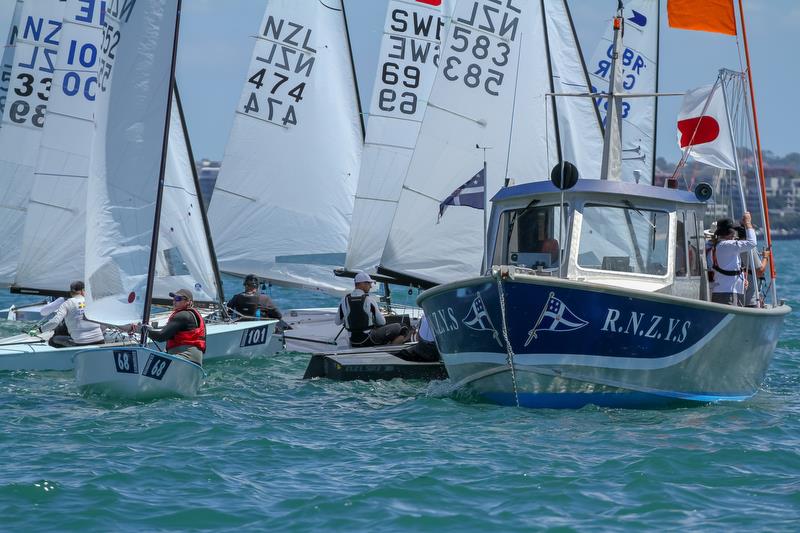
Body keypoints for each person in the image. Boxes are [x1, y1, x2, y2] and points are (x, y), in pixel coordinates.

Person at [335, 272, 409, 347]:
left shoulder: (344, 300)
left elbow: (337, 322)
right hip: (369, 339)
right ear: (362, 284)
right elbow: (382, 322)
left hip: (353, 341)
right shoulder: (369, 300)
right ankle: (391, 351)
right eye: (369, 283)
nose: (370, 286)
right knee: (403, 327)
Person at [141, 288, 206, 365]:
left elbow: (161, 336)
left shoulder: (182, 315)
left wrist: (140, 329)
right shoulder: (194, 315)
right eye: (174, 298)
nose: (174, 301)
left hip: (184, 358)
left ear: (188, 302)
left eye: (178, 299)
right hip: (194, 361)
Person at [706, 212, 756, 306]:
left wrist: (741, 279)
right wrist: (748, 223)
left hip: (725, 291)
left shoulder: (718, 246)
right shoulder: (727, 245)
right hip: (728, 293)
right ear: (730, 232)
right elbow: (752, 243)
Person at [34, 281, 105, 348]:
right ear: (83, 291)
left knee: (52, 340)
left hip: (80, 344)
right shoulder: (93, 301)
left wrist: (40, 330)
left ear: (71, 292)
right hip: (100, 341)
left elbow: (55, 322)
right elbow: (104, 321)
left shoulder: (66, 303)